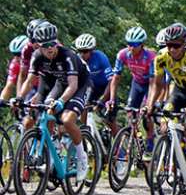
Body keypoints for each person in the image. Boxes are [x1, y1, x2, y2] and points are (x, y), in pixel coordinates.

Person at [16, 22, 91, 180]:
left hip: (80, 84)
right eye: (45, 45)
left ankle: (82, 158)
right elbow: (29, 81)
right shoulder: (37, 56)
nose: (50, 48)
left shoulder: (68, 55)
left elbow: (73, 85)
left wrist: (62, 102)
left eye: (52, 44)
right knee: (46, 112)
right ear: (38, 46)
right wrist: (19, 98)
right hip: (59, 83)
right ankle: (53, 153)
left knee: (67, 119)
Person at [144, 23, 186, 190]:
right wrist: (149, 105)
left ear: (184, 44)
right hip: (180, 91)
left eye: (176, 46)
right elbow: (157, 85)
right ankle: (175, 163)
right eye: (169, 45)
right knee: (165, 123)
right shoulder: (161, 57)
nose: (172, 49)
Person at [109, 27, 156, 158]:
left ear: (142, 45)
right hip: (137, 83)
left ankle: (150, 141)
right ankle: (137, 138)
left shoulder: (150, 57)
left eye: (134, 45)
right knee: (130, 112)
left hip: (149, 85)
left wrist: (149, 104)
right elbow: (115, 78)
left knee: (147, 114)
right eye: (129, 44)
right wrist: (112, 99)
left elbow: (153, 83)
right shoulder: (123, 54)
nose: (131, 48)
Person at [73, 34, 114, 127]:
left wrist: (102, 100)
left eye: (85, 51)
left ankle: (118, 139)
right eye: (80, 51)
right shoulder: (77, 59)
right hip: (91, 87)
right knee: (84, 105)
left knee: (110, 121)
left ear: (91, 50)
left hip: (106, 87)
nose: (82, 54)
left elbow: (111, 80)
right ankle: (84, 132)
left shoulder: (100, 57)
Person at [0, 35, 29, 101]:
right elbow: (9, 86)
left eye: (19, 54)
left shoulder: (38, 59)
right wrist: (2, 100)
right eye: (14, 54)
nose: (17, 58)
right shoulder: (15, 64)